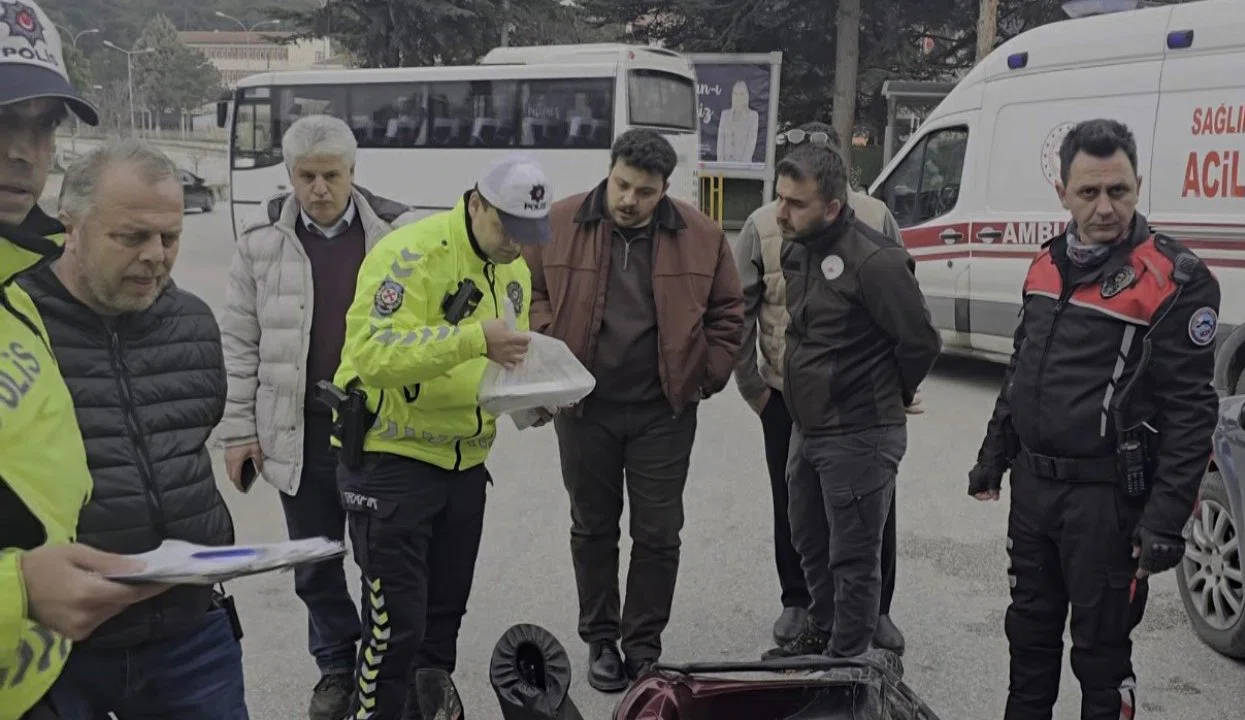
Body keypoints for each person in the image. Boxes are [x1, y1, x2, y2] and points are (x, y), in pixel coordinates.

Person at [966, 118, 1220, 720]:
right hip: (1034, 491)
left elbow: (1191, 413)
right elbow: (1022, 366)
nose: (1105, 208)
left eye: (1119, 191)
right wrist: (993, 454)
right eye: (1089, 192)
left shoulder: (1176, 278)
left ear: (1138, 187)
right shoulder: (1045, 264)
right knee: (1028, 643)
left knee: (1101, 659)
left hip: (1107, 503)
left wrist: (1164, 522)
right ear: (1062, 193)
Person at [17, 140, 245, 719]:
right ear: (71, 226)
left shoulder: (193, 322)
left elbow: (194, 439)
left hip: (192, 634)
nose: (156, 256)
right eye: (132, 236)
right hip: (60, 649)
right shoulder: (17, 324)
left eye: (170, 237)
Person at [330, 152, 550, 719]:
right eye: (507, 227)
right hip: (391, 463)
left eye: (528, 233)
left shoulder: (515, 271)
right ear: (476, 204)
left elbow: (503, 366)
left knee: (440, 627)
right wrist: (473, 339)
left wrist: (534, 399)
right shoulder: (409, 253)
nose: (516, 244)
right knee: (395, 628)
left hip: (465, 466)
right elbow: (371, 353)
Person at [524, 128, 745, 692]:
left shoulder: (701, 235)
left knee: (659, 532)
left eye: (644, 192)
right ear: (610, 171)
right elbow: (528, 291)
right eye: (621, 185)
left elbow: (728, 313)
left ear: (665, 189)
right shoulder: (559, 222)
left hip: (662, 412)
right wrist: (550, 344)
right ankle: (601, 638)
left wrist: (705, 377)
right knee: (592, 526)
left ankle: (643, 647)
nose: (629, 200)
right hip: (584, 408)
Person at [0, 2, 169, 717]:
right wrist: (18, 591)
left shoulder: (18, 287)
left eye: (43, 125)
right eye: (0, 118)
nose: (24, 151)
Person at [218, 114, 417, 720]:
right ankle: (335, 665)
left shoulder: (397, 236)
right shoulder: (260, 243)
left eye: (331, 175)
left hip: (379, 434)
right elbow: (239, 343)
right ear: (290, 174)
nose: (319, 189)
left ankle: (384, 668)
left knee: (384, 560)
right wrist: (239, 433)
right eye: (306, 176)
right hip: (299, 433)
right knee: (314, 560)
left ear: (353, 171)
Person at [733, 121, 915, 654]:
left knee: (868, 516)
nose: (785, 209)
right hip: (786, 400)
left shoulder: (876, 220)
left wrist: (896, 389)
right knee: (799, 514)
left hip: (860, 411)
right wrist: (755, 389)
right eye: (783, 195)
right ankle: (804, 605)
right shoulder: (763, 226)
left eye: (798, 198)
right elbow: (741, 310)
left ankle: (872, 618)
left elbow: (911, 321)